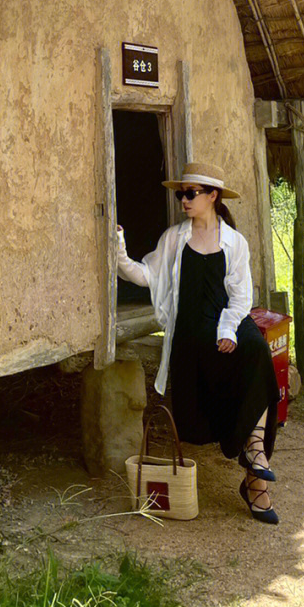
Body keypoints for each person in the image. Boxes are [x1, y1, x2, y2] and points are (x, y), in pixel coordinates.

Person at [116, 160, 281, 525]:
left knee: (257, 353)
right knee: (250, 370)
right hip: (191, 338)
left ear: (213, 196)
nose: (184, 201)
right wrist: (119, 252)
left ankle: (255, 458)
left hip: (227, 324)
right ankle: (255, 477)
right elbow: (146, 275)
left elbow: (240, 299)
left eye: (191, 194)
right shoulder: (174, 238)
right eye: (181, 194)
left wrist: (226, 331)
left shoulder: (235, 243)